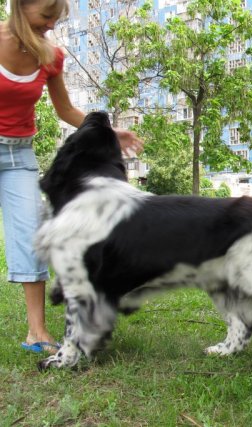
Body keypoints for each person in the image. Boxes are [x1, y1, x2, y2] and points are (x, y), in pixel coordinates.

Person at [0, 0, 142, 354]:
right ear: (21, 6)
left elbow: (64, 109)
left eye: (56, 19)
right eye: (45, 16)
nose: (50, 25)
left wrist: (109, 132)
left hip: (18, 154)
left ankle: (37, 332)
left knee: (33, 234)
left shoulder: (51, 56)